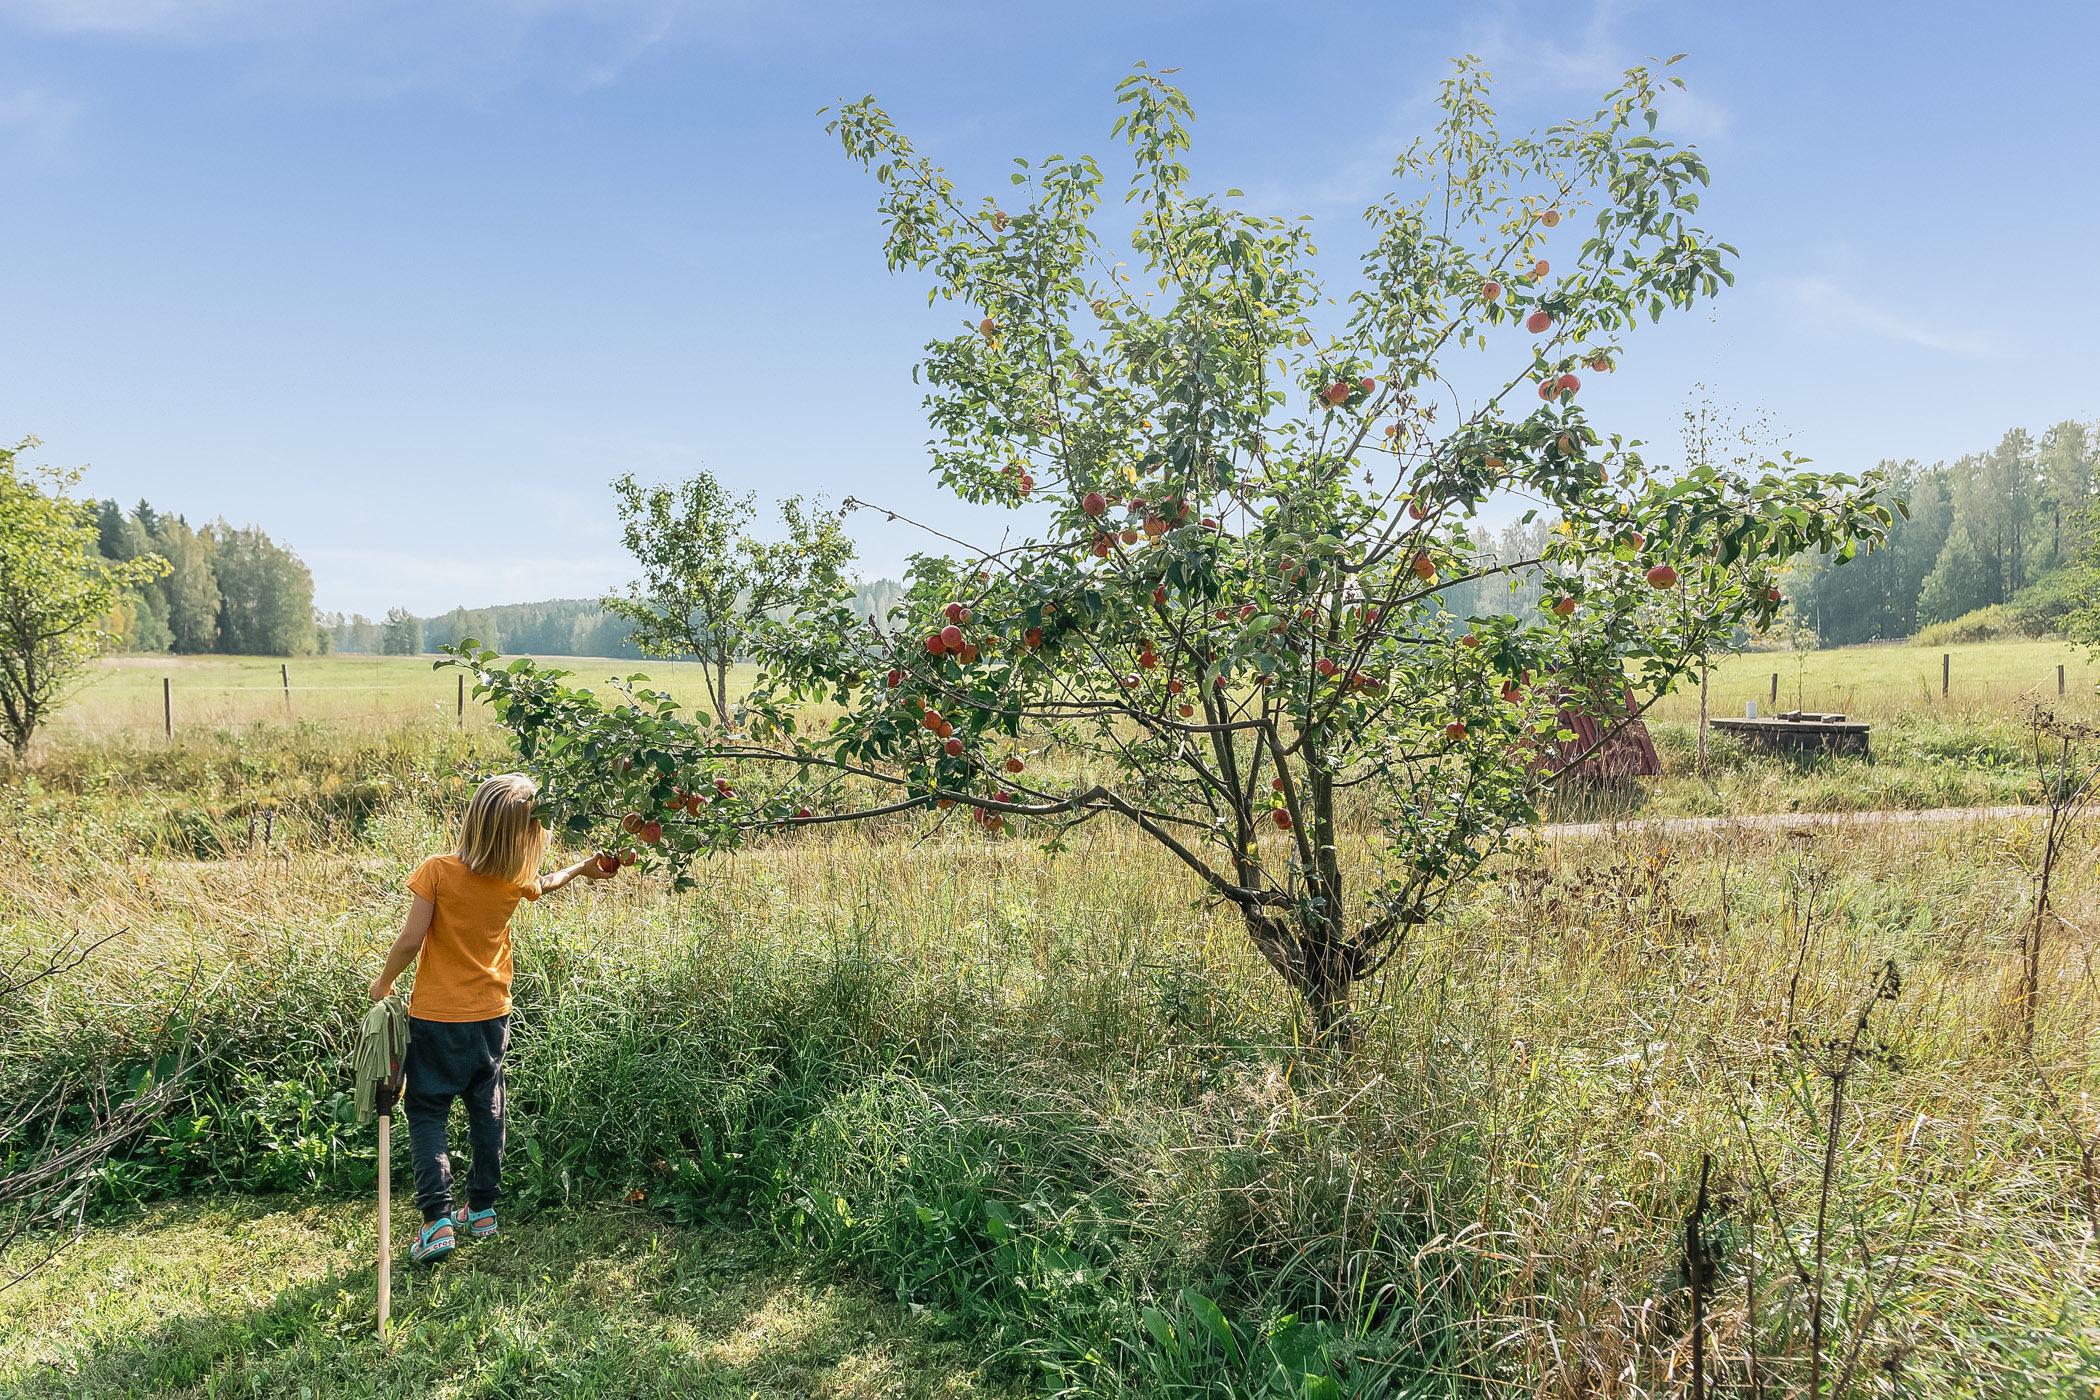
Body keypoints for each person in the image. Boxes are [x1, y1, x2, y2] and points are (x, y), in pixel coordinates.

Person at [368, 772, 615, 1263]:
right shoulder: (512, 880)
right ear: (530, 833)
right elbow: (546, 881)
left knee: (428, 1110)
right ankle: (481, 1209)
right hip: (491, 1015)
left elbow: (412, 940)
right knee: (488, 1108)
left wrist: (384, 982)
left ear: (475, 819)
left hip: (437, 1017)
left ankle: (437, 1220)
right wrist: (584, 868)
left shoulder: (437, 871)